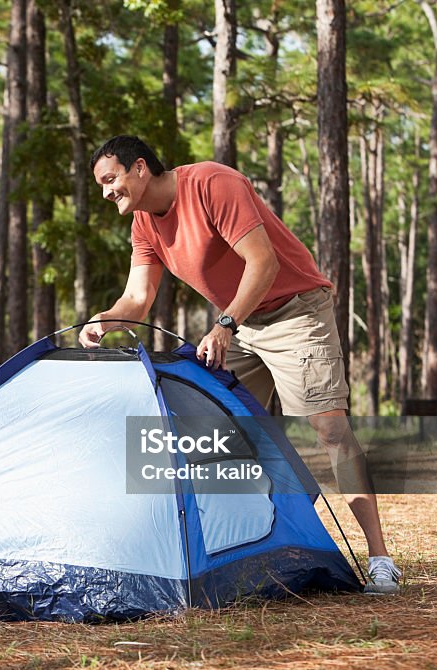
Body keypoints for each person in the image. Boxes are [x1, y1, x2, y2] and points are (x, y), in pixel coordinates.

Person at [80, 135, 401, 594]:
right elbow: (136, 298)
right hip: (241, 324)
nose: (107, 192)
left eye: (111, 179)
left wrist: (226, 323)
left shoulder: (212, 182)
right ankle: (251, 553)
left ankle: (381, 559)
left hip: (294, 310)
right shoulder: (145, 226)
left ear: (140, 168)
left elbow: (263, 263)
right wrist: (103, 322)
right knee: (210, 426)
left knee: (329, 429)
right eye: (101, 185)